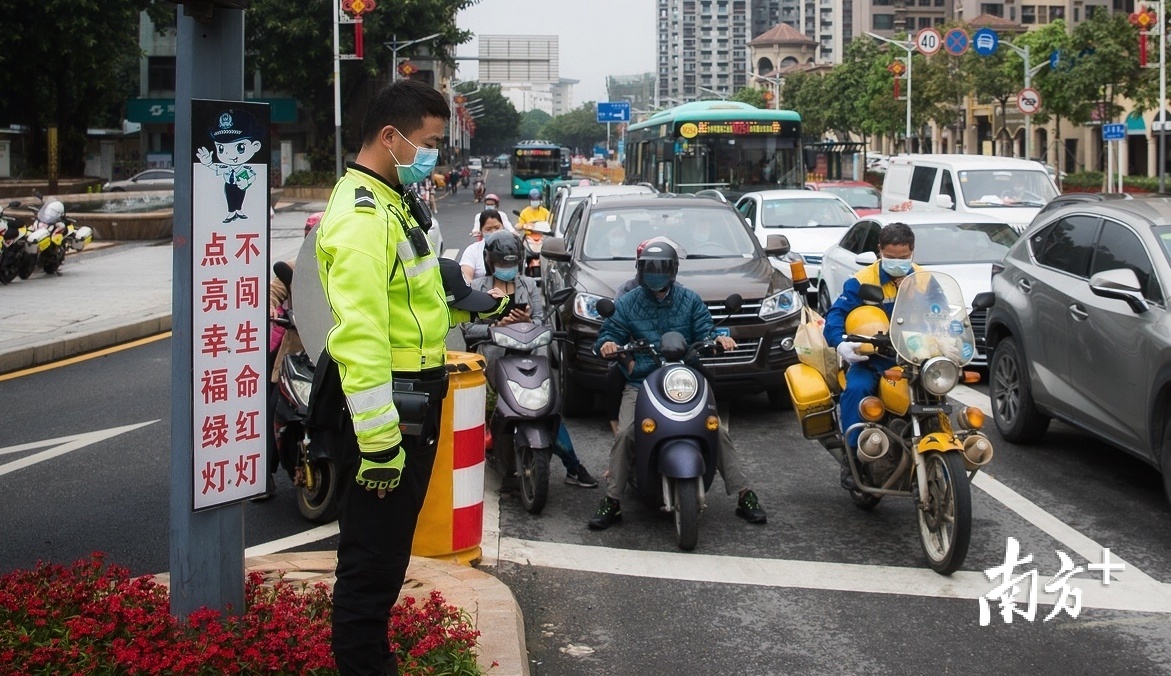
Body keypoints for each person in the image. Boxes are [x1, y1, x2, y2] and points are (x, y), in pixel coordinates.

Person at [312, 78, 505, 676]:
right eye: (427, 142)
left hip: (413, 398)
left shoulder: (395, 200)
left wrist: (475, 308)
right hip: (386, 409)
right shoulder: (363, 216)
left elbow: (411, 308)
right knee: (370, 569)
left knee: (387, 559)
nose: (434, 156)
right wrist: (378, 442)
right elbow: (361, 335)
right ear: (390, 137)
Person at [587, 241, 767, 529]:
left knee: (715, 430)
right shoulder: (627, 303)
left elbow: (706, 329)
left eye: (661, 268)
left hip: (685, 378)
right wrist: (608, 344)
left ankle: (744, 493)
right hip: (641, 381)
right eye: (648, 268)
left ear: (673, 271)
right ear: (640, 269)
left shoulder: (689, 300)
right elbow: (608, 335)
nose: (655, 274)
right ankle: (613, 500)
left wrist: (719, 339)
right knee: (626, 435)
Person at [460, 231, 598, 488]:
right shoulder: (478, 288)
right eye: (502, 264)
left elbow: (540, 321)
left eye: (511, 264)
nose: (507, 269)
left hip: (528, 360)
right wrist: (496, 325)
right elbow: (468, 328)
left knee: (546, 409)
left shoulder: (529, 285)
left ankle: (574, 465)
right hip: (493, 365)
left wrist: (525, 321)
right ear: (490, 262)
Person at [823, 222, 919, 491]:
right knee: (856, 389)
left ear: (913, 252)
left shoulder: (923, 280)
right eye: (890, 257)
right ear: (879, 251)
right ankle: (851, 458)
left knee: (936, 394)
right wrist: (840, 343)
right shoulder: (862, 281)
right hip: (874, 359)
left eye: (903, 258)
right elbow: (836, 315)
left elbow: (941, 315)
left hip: (914, 359)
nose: (897, 263)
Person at [460, 209, 506, 282]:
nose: (494, 232)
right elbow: (466, 276)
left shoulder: (513, 248)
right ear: (481, 231)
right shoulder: (472, 250)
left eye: (497, 228)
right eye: (488, 229)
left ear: (503, 227)